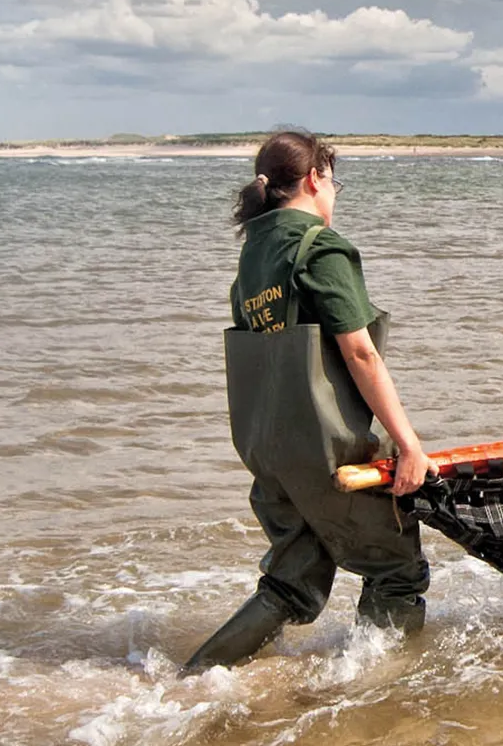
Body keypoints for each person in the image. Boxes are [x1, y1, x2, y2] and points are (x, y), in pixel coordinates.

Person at [183, 131, 432, 673]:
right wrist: (409, 444)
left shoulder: (253, 257)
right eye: (334, 181)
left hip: (268, 452)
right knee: (396, 573)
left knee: (291, 584)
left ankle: (194, 679)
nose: (335, 195)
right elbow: (361, 355)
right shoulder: (319, 248)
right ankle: (372, 696)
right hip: (328, 453)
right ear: (316, 179)